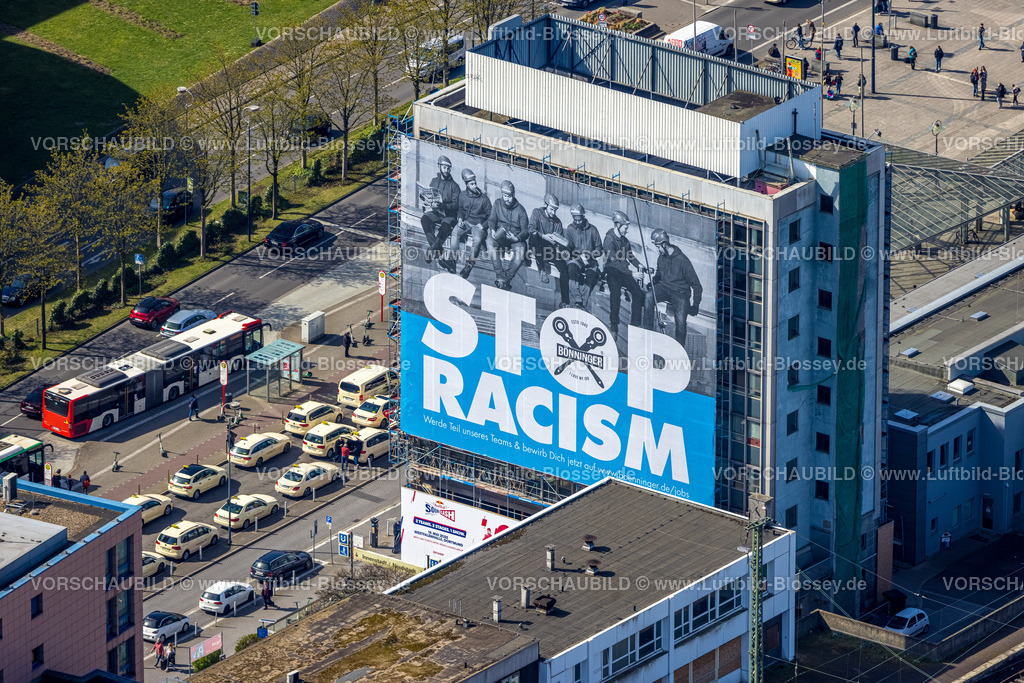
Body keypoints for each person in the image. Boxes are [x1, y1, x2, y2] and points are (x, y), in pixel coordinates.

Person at [643, 230, 702, 349]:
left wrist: (695, 305)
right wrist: (652, 283)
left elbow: (697, 286)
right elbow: (659, 275)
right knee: (649, 296)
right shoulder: (661, 257)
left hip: (680, 293)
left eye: (658, 247)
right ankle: (648, 333)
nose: (658, 250)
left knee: (680, 321)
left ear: (664, 244)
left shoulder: (682, 260)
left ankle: (679, 348)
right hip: (664, 287)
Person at [602, 211, 646, 340]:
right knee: (615, 293)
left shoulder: (624, 240)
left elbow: (630, 256)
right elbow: (613, 262)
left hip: (623, 272)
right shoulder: (609, 240)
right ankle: (614, 325)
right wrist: (632, 273)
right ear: (618, 225)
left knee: (637, 292)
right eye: (625, 228)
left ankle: (635, 323)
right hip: (612, 271)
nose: (627, 230)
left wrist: (639, 265)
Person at [441, 168, 491, 279]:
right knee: (455, 232)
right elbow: (461, 210)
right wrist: (460, 219)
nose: (474, 186)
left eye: (475, 183)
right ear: (467, 185)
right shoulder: (462, 196)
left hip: (479, 225)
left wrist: (483, 225)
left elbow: (491, 216)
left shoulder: (484, 199)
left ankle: (469, 265)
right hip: (467, 222)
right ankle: (452, 260)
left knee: (477, 240)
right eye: (471, 184)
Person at [527, 193, 571, 307]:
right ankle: (542, 270)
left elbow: (559, 242)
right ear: (546, 205)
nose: (553, 213)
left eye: (555, 210)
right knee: (535, 236)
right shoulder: (537, 213)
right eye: (551, 209)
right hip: (537, 244)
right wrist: (543, 236)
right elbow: (531, 229)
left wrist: (559, 243)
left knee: (564, 268)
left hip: (549, 249)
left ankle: (565, 301)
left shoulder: (557, 222)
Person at [485, 180, 529, 290]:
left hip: (515, 239)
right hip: (500, 236)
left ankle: (507, 279)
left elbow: (525, 231)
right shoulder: (497, 204)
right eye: (504, 196)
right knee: (489, 242)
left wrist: (516, 238)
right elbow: (492, 220)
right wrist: (492, 230)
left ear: (513, 195)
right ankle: (500, 275)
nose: (506, 199)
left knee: (521, 251)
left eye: (509, 196)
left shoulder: (521, 210)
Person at [419, 156, 460, 263]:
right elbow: (430, 194)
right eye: (444, 167)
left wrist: (444, 206)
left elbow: (456, 205)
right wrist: (424, 196)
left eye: (448, 168)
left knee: (445, 227)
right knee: (424, 219)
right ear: (439, 166)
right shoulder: (434, 181)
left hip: (449, 215)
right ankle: (438, 250)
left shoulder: (454, 186)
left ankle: (433, 249)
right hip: (436, 212)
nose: (446, 170)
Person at [563, 205, 604, 311]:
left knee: (591, 275)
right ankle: (578, 300)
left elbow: (599, 248)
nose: (577, 222)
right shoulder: (570, 229)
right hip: (576, 258)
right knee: (571, 270)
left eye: (579, 220)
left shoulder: (593, 229)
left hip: (590, 260)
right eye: (575, 220)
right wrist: (566, 248)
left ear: (583, 216)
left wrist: (591, 255)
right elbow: (569, 246)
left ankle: (582, 304)